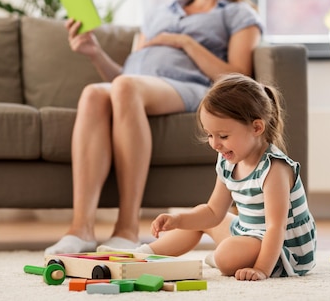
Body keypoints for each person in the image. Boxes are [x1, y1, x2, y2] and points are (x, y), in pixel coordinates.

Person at [44, 0, 264, 255]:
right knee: (94, 92)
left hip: (191, 88)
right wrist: (94, 52)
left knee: (125, 88)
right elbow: (128, 76)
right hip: (137, 85)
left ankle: (127, 228)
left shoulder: (237, 13)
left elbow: (238, 76)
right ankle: (81, 228)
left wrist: (184, 42)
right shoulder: (161, 13)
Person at [99, 73, 317, 280]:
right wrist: (179, 220)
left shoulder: (275, 169)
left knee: (225, 256)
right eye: (210, 135)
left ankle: (227, 258)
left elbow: (275, 228)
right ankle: (142, 255)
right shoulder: (228, 160)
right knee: (199, 218)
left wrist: (260, 269)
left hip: (284, 248)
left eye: (223, 136)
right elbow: (213, 212)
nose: (215, 143)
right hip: (251, 233)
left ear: (257, 128)